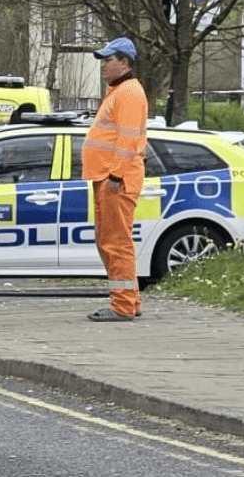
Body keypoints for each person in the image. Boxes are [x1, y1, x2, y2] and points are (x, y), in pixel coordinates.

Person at [82, 36, 149, 322]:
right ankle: (129, 301)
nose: (103, 66)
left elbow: (127, 141)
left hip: (114, 179)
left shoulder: (129, 93)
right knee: (112, 241)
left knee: (116, 243)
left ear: (123, 62)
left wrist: (116, 175)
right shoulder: (121, 91)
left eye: (108, 60)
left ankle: (122, 306)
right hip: (109, 177)